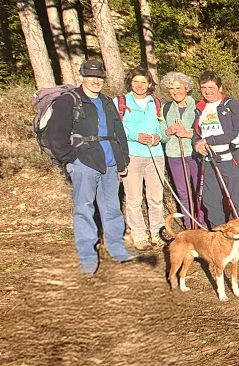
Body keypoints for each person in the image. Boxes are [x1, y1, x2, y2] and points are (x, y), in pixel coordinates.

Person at [44, 59, 134, 274]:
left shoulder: (107, 102)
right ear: (82, 77)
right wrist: (71, 159)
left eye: (99, 77)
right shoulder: (68, 101)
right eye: (91, 76)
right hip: (84, 163)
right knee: (84, 210)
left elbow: (118, 133)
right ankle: (88, 258)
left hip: (110, 163)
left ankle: (117, 250)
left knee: (112, 208)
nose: (96, 80)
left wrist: (123, 160)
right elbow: (55, 135)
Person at [118, 67, 165, 249]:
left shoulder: (156, 102)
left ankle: (157, 233)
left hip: (155, 155)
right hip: (132, 155)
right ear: (130, 83)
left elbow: (162, 127)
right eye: (136, 81)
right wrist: (135, 136)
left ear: (150, 84)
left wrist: (157, 137)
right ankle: (139, 236)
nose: (139, 85)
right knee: (134, 198)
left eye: (143, 82)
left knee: (156, 198)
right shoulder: (120, 102)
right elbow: (116, 128)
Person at [193, 71, 239, 226]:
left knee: (235, 200)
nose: (207, 91)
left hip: (230, 159)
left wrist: (209, 140)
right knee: (210, 200)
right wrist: (197, 144)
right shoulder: (199, 108)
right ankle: (218, 233)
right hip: (208, 160)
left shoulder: (230, 104)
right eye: (203, 88)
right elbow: (196, 134)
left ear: (220, 88)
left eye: (211, 87)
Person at [160, 71, 205, 228]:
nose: (175, 92)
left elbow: (205, 133)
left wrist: (188, 134)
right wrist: (169, 131)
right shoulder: (165, 108)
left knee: (200, 192)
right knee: (183, 193)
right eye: (171, 88)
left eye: (178, 88)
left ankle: (202, 224)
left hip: (195, 155)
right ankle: (189, 225)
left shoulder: (199, 107)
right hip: (174, 156)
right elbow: (162, 137)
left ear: (186, 88)